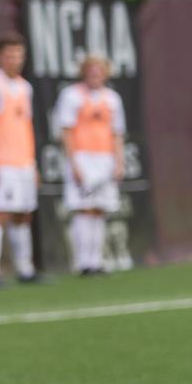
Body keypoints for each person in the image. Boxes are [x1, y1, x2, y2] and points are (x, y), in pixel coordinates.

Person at [0, 33, 42, 286]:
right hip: (2, 162)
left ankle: (25, 269)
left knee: (23, 214)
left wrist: (32, 163)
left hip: (23, 162)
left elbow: (26, 126)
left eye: (18, 54)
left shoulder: (25, 87)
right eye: (9, 54)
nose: (14, 59)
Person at [55, 55, 126, 276]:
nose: (95, 75)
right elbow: (65, 131)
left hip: (104, 158)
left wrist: (119, 161)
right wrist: (73, 163)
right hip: (82, 157)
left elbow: (117, 134)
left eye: (99, 71)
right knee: (84, 208)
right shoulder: (71, 96)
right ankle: (83, 261)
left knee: (99, 209)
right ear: (84, 72)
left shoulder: (112, 99)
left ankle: (96, 260)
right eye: (91, 70)